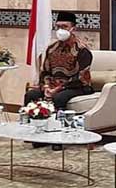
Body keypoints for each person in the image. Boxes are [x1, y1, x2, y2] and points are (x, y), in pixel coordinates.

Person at [24, 11, 94, 149]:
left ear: (73, 28)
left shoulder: (82, 50)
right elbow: (45, 71)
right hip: (53, 86)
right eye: (58, 27)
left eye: (65, 26)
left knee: (59, 98)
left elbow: (80, 77)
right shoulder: (52, 48)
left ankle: (58, 138)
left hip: (78, 86)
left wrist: (57, 89)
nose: (61, 30)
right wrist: (46, 87)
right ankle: (35, 134)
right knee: (31, 95)